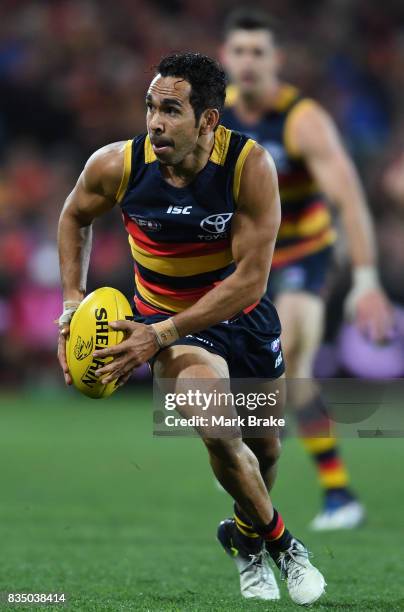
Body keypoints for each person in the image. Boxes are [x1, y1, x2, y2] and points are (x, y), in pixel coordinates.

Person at [57, 52, 326, 604]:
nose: (154, 122)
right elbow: (73, 216)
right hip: (167, 321)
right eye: (151, 107)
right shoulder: (119, 165)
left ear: (208, 120)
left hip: (241, 317)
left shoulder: (249, 167)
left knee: (266, 451)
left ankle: (244, 538)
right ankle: (283, 547)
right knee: (218, 428)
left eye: (171, 110)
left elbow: (250, 283)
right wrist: (72, 301)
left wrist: (160, 334)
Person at [220, 9, 393, 531]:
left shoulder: (303, 120)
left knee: (290, 353)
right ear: (226, 59)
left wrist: (365, 280)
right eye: (240, 52)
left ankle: (326, 493)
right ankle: (323, 491)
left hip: (303, 253)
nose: (248, 62)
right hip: (247, 257)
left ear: (276, 60)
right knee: (263, 379)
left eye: (259, 52)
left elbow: (350, 200)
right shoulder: (215, 118)